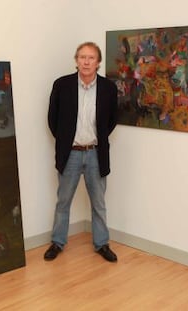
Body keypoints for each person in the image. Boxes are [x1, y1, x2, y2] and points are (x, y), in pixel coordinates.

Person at [44, 42, 118, 262]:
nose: (86, 62)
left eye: (91, 58)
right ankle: (57, 242)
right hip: (71, 154)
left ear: (98, 62)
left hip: (96, 153)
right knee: (63, 201)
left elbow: (111, 120)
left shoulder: (108, 88)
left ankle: (102, 244)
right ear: (76, 60)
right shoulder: (62, 85)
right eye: (82, 57)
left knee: (99, 203)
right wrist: (67, 141)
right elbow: (52, 119)